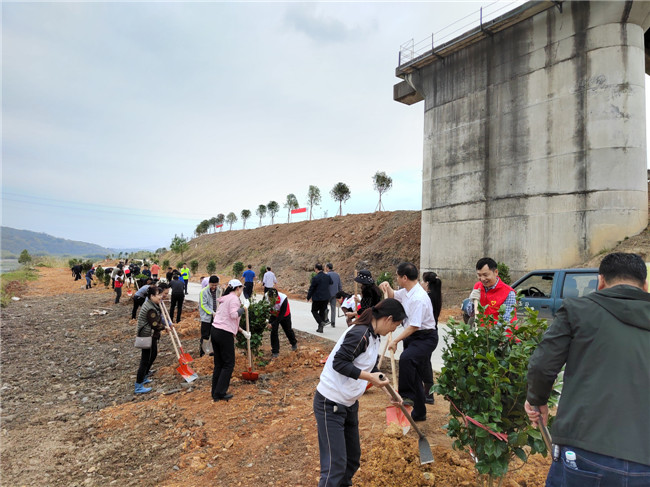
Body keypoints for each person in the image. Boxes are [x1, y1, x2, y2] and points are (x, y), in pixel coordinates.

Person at [525, 252, 650, 485]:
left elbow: (542, 365)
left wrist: (537, 399)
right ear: (644, 285)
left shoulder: (577, 310)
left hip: (584, 451)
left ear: (600, 281)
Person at [314, 299, 407, 487]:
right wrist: (369, 378)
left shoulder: (374, 336)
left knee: (352, 459)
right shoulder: (360, 334)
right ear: (388, 319)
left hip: (348, 403)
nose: (393, 331)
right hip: (330, 402)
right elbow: (339, 363)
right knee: (334, 466)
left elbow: (368, 365)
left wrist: (387, 389)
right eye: (395, 326)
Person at [380, 262, 438, 422]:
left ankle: (406, 396)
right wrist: (387, 287)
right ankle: (419, 413)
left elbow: (414, 326)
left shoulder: (419, 297)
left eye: (397, 276)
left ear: (404, 277)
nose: (397, 279)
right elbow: (393, 295)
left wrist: (395, 341)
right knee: (414, 375)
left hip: (425, 337)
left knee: (406, 358)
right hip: (413, 337)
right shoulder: (407, 291)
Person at [210, 279, 251, 402]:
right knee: (228, 364)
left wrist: (243, 331)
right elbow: (234, 315)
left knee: (219, 364)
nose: (242, 291)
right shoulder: (233, 299)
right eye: (241, 288)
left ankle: (215, 392)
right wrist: (244, 308)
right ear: (237, 288)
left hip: (215, 330)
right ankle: (220, 392)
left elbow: (226, 319)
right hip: (224, 334)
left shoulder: (226, 298)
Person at [134, 286, 167, 394]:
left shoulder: (152, 304)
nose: (161, 297)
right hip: (146, 335)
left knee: (153, 355)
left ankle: (144, 376)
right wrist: (165, 327)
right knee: (145, 360)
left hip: (150, 335)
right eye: (158, 295)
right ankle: (138, 385)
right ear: (152, 296)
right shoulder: (150, 308)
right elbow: (154, 324)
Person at [466, 257, 516, 324]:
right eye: (479, 275)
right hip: (483, 332)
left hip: (502, 333)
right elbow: (470, 313)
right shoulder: (477, 287)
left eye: (485, 275)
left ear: (495, 272)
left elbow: (506, 321)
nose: (482, 279)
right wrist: (472, 302)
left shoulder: (508, 293)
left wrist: (489, 333)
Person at [421, 271, 443, 405]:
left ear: (427, 283)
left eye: (422, 281)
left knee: (424, 364)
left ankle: (428, 394)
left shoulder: (426, 297)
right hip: (432, 332)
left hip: (425, 334)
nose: (420, 283)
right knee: (425, 362)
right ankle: (427, 393)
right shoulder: (435, 296)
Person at [266, 288, 298, 358]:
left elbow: (281, 316)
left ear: (277, 297)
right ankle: (275, 351)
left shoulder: (283, 299)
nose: (271, 301)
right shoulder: (266, 297)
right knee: (273, 332)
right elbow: (265, 309)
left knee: (288, 330)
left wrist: (273, 324)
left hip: (284, 315)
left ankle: (294, 343)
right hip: (274, 314)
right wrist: (268, 322)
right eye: (270, 299)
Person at [307, 263, 333, 333]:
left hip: (317, 297)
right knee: (322, 312)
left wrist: (308, 297)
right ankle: (320, 328)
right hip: (326, 297)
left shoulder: (315, 278)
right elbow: (331, 282)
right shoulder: (327, 276)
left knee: (314, 311)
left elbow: (311, 288)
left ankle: (321, 322)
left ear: (316, 269)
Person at [199, 275, 221, 357]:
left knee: (214, 335)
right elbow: (203, 305)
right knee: (205, 335)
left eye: (216, 285)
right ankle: (202, 353)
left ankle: (212, 352)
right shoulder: (203, 292)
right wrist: (212, 313)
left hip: (216, 317)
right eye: (212, 285)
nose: (214, 287)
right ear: (209, 283)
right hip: (206, 317)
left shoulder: (219, 291)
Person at [325, 263, 342, 327]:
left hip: (327, 294)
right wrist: (340, 294)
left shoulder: (326, 275)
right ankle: (333, 323)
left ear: (327, 268)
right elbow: (340, 285)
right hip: (335, 294)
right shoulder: (337, 275)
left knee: (324, 307)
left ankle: (325, 319)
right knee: (333, 308)